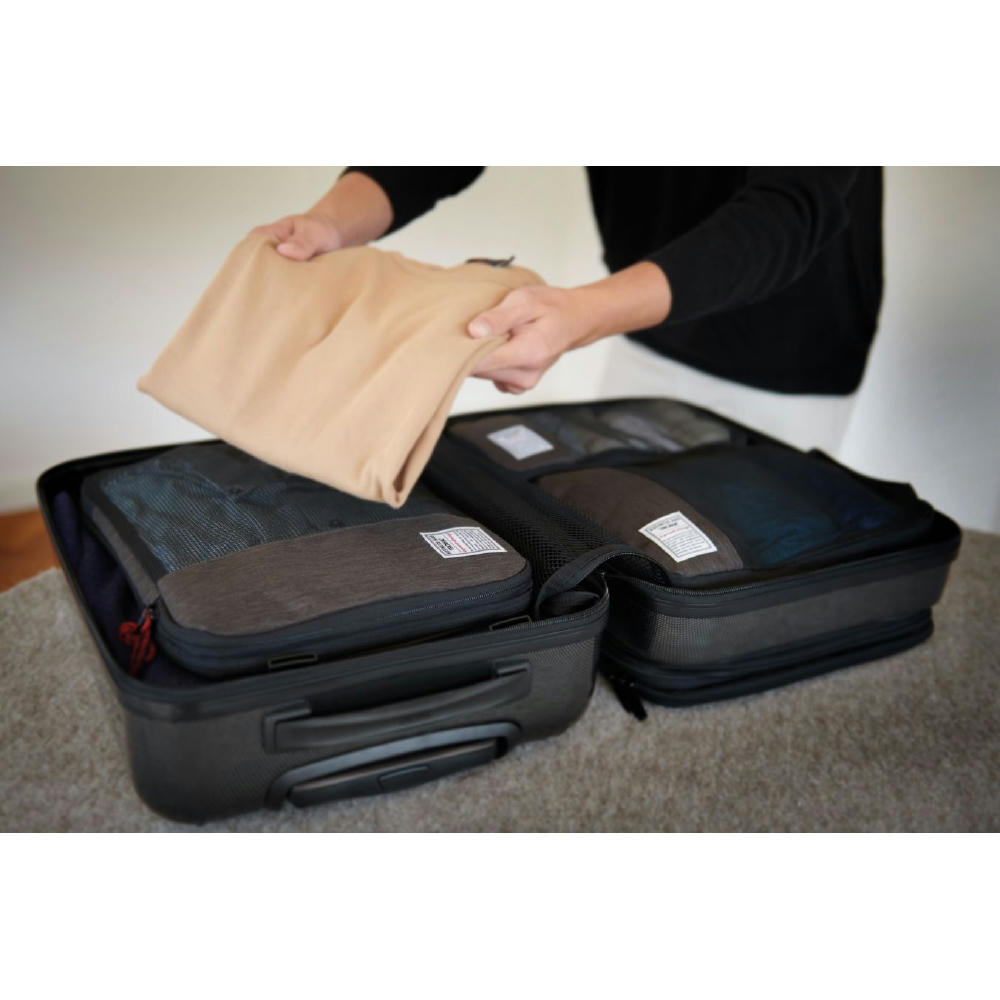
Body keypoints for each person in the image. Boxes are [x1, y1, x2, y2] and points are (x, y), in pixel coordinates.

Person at [252, 167, 883, 453]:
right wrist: (330, 223)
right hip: (648, 326)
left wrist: (582, 314)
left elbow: (789, 209)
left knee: (758, 586)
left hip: (790, 348)